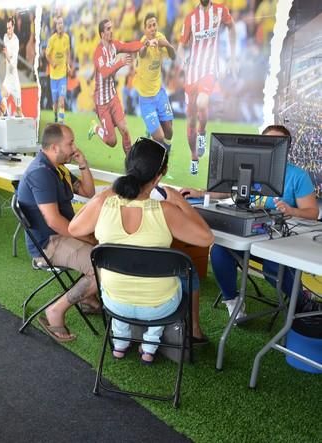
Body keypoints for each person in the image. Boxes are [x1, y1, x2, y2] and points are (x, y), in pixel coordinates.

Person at [68, 138, 213, 362]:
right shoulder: (166, 210)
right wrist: (179, 201)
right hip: (160, 308)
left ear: (128, 166)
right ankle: (154, 345)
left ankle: (121, 343)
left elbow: (74, 228)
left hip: (114, 303)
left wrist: (104, 194)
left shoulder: (104, 204)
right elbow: (206, 238)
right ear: (159, 175)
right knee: (189, 272)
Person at [181, 125, 318, 319]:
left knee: (273, 267)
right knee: (220, 251)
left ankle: (301, 301)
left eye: (279, 144)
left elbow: (313, 212)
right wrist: (201, 193)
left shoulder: (298, 176)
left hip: (279, 241)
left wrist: (292, 210)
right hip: (250, 236)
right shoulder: (249, 167)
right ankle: (233, 301)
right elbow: (225, 188)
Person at [17, 123, 99, 343]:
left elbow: (88, 192)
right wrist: (86, 237)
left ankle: (89, 299)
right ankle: (55, 311)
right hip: (49, 244)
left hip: (61, 236)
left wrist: (83, 164)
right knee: (102, 266)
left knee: (105, 248)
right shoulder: (41, 173)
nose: (74, 148)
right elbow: (54, 221)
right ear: (54, 147)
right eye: (70, 143)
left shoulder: (56, 168)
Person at [177, 0, 236, 175]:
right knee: (190, 121)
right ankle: (193, 157)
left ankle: (202, 132)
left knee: (203, 102)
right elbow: (181, 46)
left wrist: (233, 57)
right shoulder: (190, 18)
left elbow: (232, 27)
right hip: (192, 73)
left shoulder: (220, 11)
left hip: (209, 70)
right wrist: (183, 58)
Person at [87, 18, 146, 156]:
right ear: (102, 34)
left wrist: (144, 43)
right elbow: (105, 73)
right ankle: (95, 128)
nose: (111, 31)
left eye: (111, 27)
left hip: (113, 97)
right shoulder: (98, 53)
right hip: (102, 103)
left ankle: (131, 162)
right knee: (112, 141)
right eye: (108, 29)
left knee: (124, 129)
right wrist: (120, 62)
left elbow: (129, 46)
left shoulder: (114, 45)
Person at [134, 13, 176, 151]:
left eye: (154, 25)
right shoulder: (143, 42)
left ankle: (165, 157)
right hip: (146, 99)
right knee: (159, 137)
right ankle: (162, 160)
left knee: (169, 132)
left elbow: (173, 56)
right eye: (149, 26)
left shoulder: (160, 38)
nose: (152, 28)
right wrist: (147, 44)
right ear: (145, 29)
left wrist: (168, 45)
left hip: (159, 93)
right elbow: (141, 52)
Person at [45, 15, 71, 123]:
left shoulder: (66, 38)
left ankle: (61, 121)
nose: (60, 25)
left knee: (61, 100)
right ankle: (56, 116)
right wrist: (52, 63)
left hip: (62, 76)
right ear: (56, 26)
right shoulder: (52, 40)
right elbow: (47, 54)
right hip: (53, 76)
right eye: (58, 23)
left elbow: (68, 53)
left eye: (62, 23)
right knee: (55, 102)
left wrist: (68, 65)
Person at [2, 17, 23, 117]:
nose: (8, 30)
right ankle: (7, 117)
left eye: (10, 28)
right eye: (7, 28)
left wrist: (7, 55)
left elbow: (13, 64)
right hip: (7, 78)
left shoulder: (16, 41)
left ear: (13, 27)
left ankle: (25, 128)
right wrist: (5, 58)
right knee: (1, 96)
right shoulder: (5, 37)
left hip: (14, 80)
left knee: (19, 110)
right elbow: (8, 55)